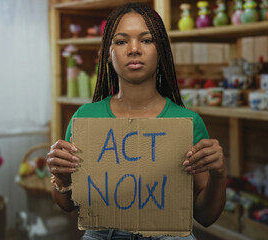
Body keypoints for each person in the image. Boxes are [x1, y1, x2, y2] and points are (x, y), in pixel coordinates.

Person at [47, 3, 226, 240]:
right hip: (102, 233)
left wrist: (219, 174)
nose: (134, 49)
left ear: (161, 51)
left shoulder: (187, 122)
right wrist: (61, 178)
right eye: (121, 41)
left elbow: (205, 216)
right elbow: (68, 205)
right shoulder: (85, 119)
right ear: (107, 54)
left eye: (146, 40)